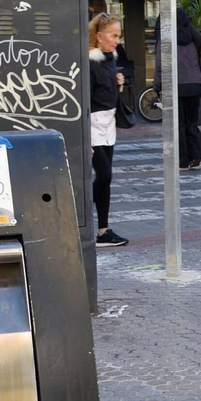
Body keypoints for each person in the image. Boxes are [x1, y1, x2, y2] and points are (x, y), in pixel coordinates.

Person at [88, 13, 129, 248]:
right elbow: (83, 100)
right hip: (93, 124)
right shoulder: (89, 62)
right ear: (99, 36)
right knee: (104, 176)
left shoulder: (110, 59)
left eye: (118, 36)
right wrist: (85, 139)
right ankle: (82, 212)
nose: (117, 41)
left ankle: (103, 230)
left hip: (108, 123)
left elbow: (108, 93)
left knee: (105, 179)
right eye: (113, 36)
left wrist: (118, 84)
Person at [156, 7, 201, 170]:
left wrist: (157, 86)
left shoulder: (166, 38)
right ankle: (196, 154)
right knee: (192, 122)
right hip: (195, 85)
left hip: (175, 85)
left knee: (178, 124)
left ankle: (183, 159)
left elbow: (160, 64)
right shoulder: (196, 37)